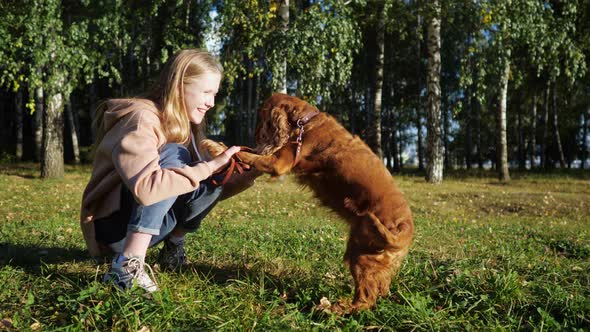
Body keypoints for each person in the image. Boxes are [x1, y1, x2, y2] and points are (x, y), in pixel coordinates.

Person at [80, 49, 259, 292]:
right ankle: (127, 266)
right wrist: (207, 167)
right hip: (112, 228)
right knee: (176, 155)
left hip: (150, 227)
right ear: (178, 86)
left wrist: (247, 171)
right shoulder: (142, 118)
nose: (211, 103)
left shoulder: (186, 125)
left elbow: (200, 188)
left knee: (209, 175)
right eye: (206, 92)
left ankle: (173, 249)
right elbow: (147, 188)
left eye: (214, 94)